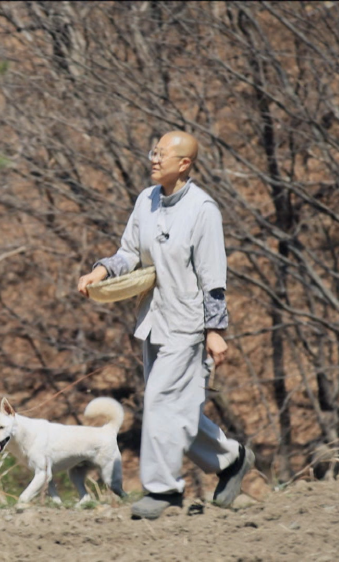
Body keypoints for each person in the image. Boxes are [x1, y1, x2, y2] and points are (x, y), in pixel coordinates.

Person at [77, 131, 254, 520]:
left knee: (159, 402)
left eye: (162, 155)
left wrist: (215, 332)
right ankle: (231, 460)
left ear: (184, 164)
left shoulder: (203, 210)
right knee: (178, 410)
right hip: (152, 321)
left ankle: (164, 491)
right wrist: (101, 271)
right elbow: (128, 252)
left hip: (188, 325)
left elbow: (214, 277)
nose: (154, 159)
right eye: (152, 152)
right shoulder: (146, 200)